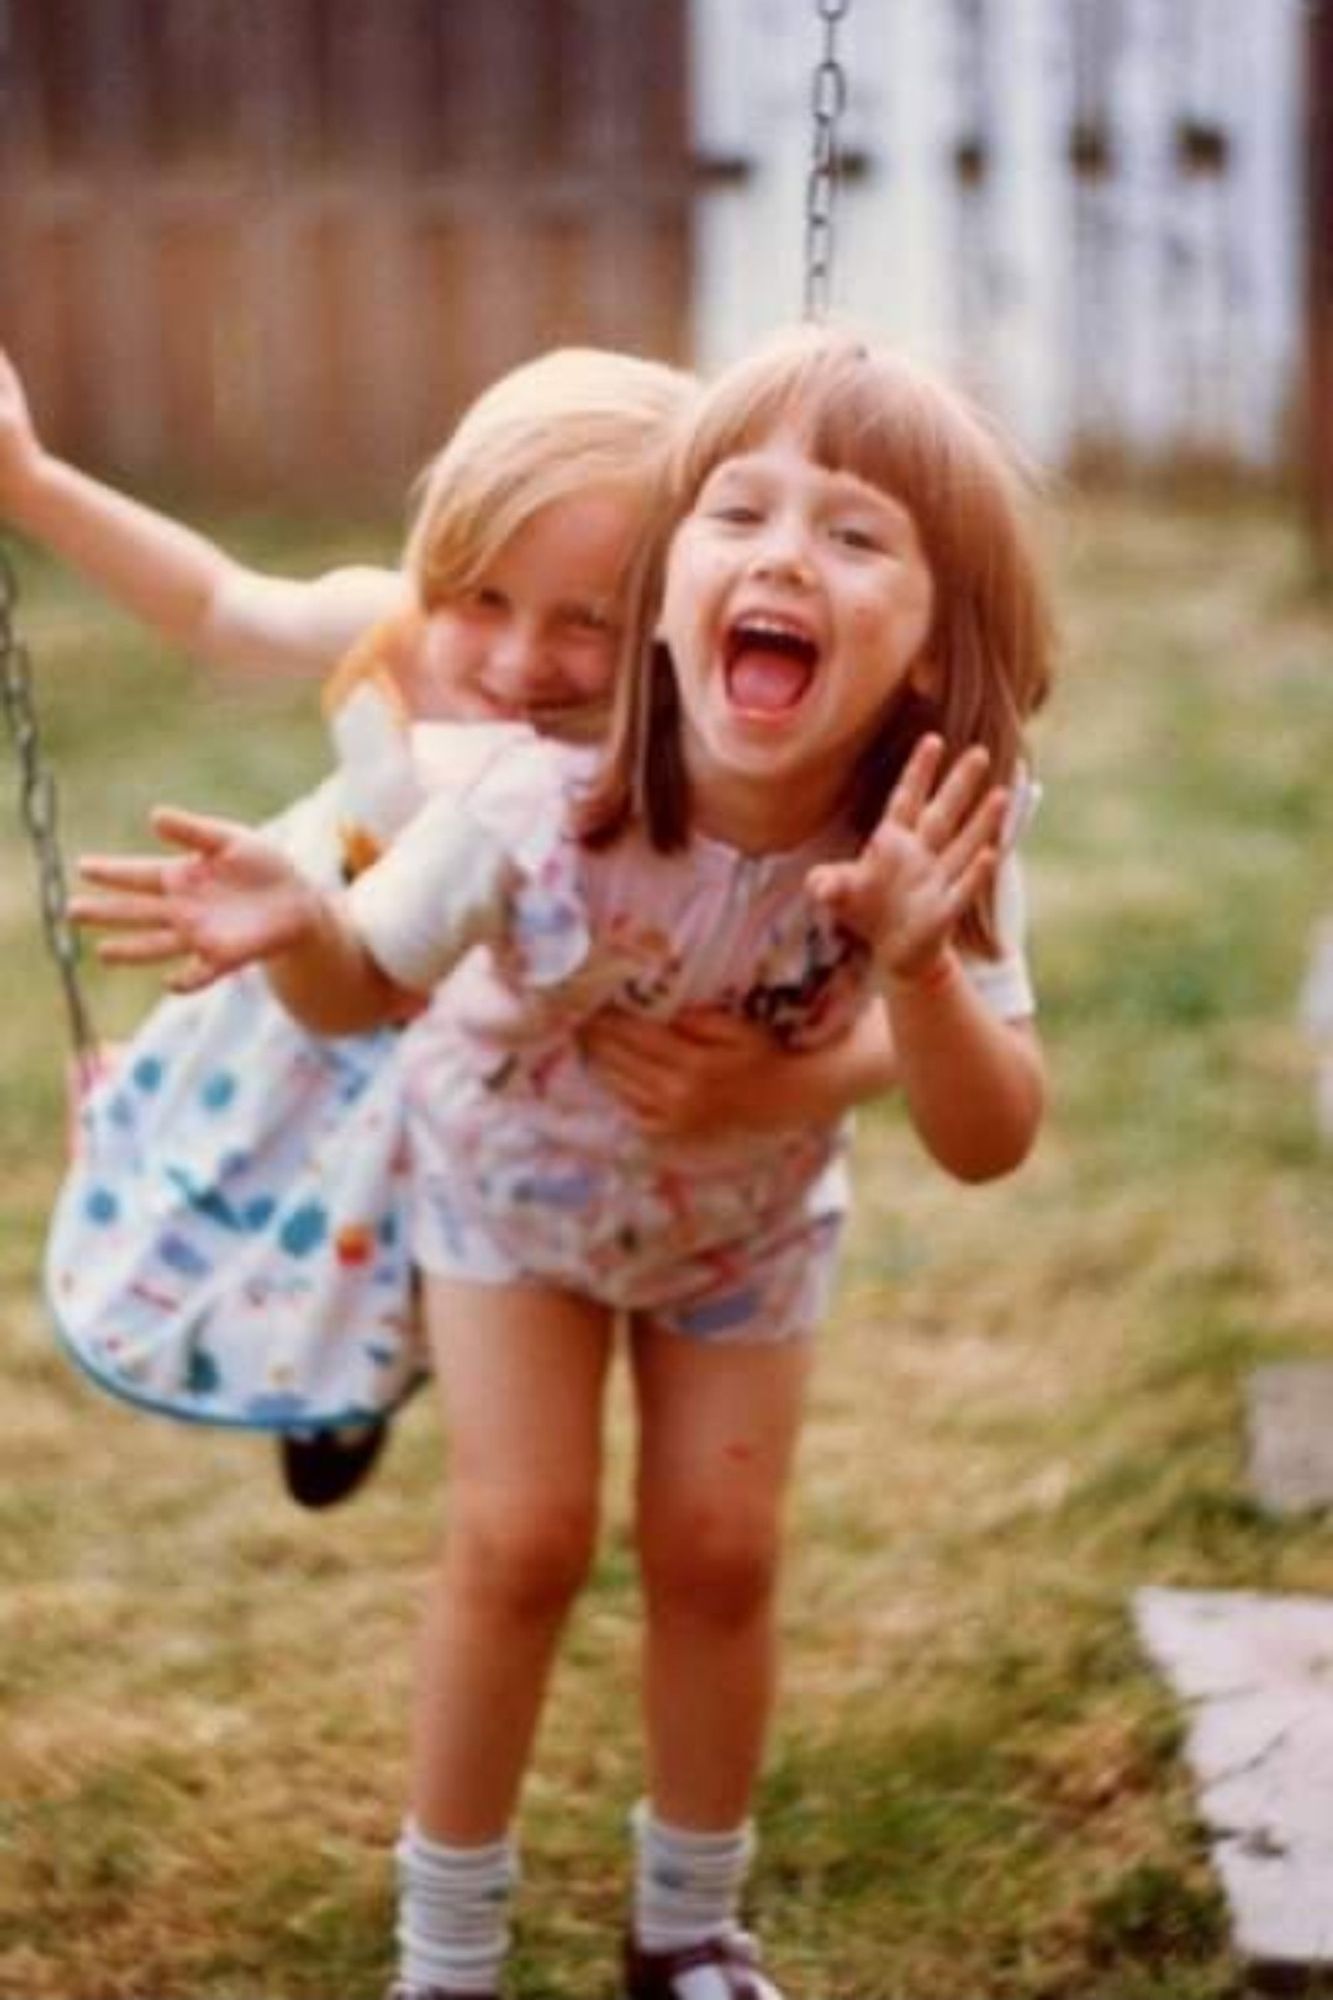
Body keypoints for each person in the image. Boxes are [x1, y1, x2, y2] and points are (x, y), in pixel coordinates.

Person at [72, 323, 1052, 1999]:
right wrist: (301, 925)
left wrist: (909, 970)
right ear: (669, 591)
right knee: (519, 1541)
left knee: (720, 1553)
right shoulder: (527, 795)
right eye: (736, 515)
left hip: (742, 1232)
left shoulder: (932, 825)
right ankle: (445, 1952)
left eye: (854, 533)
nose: (784, 555)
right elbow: (366, 989)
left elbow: (988, 1134)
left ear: (935, 641)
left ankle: (687, 1930)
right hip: (505, 1192)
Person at [3, 344, 898, 1508]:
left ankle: (384, 1358)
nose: (522, 659)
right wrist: (31, 484)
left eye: (589, 620)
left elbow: (852, 968)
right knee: (264, 1208)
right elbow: (223, 607)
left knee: (444, 1246)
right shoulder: (395, 627)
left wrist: (783, 1082)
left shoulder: (682, 745)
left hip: (523, 1077)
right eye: (481, 595)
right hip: (321, 972)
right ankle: (340, 1375)